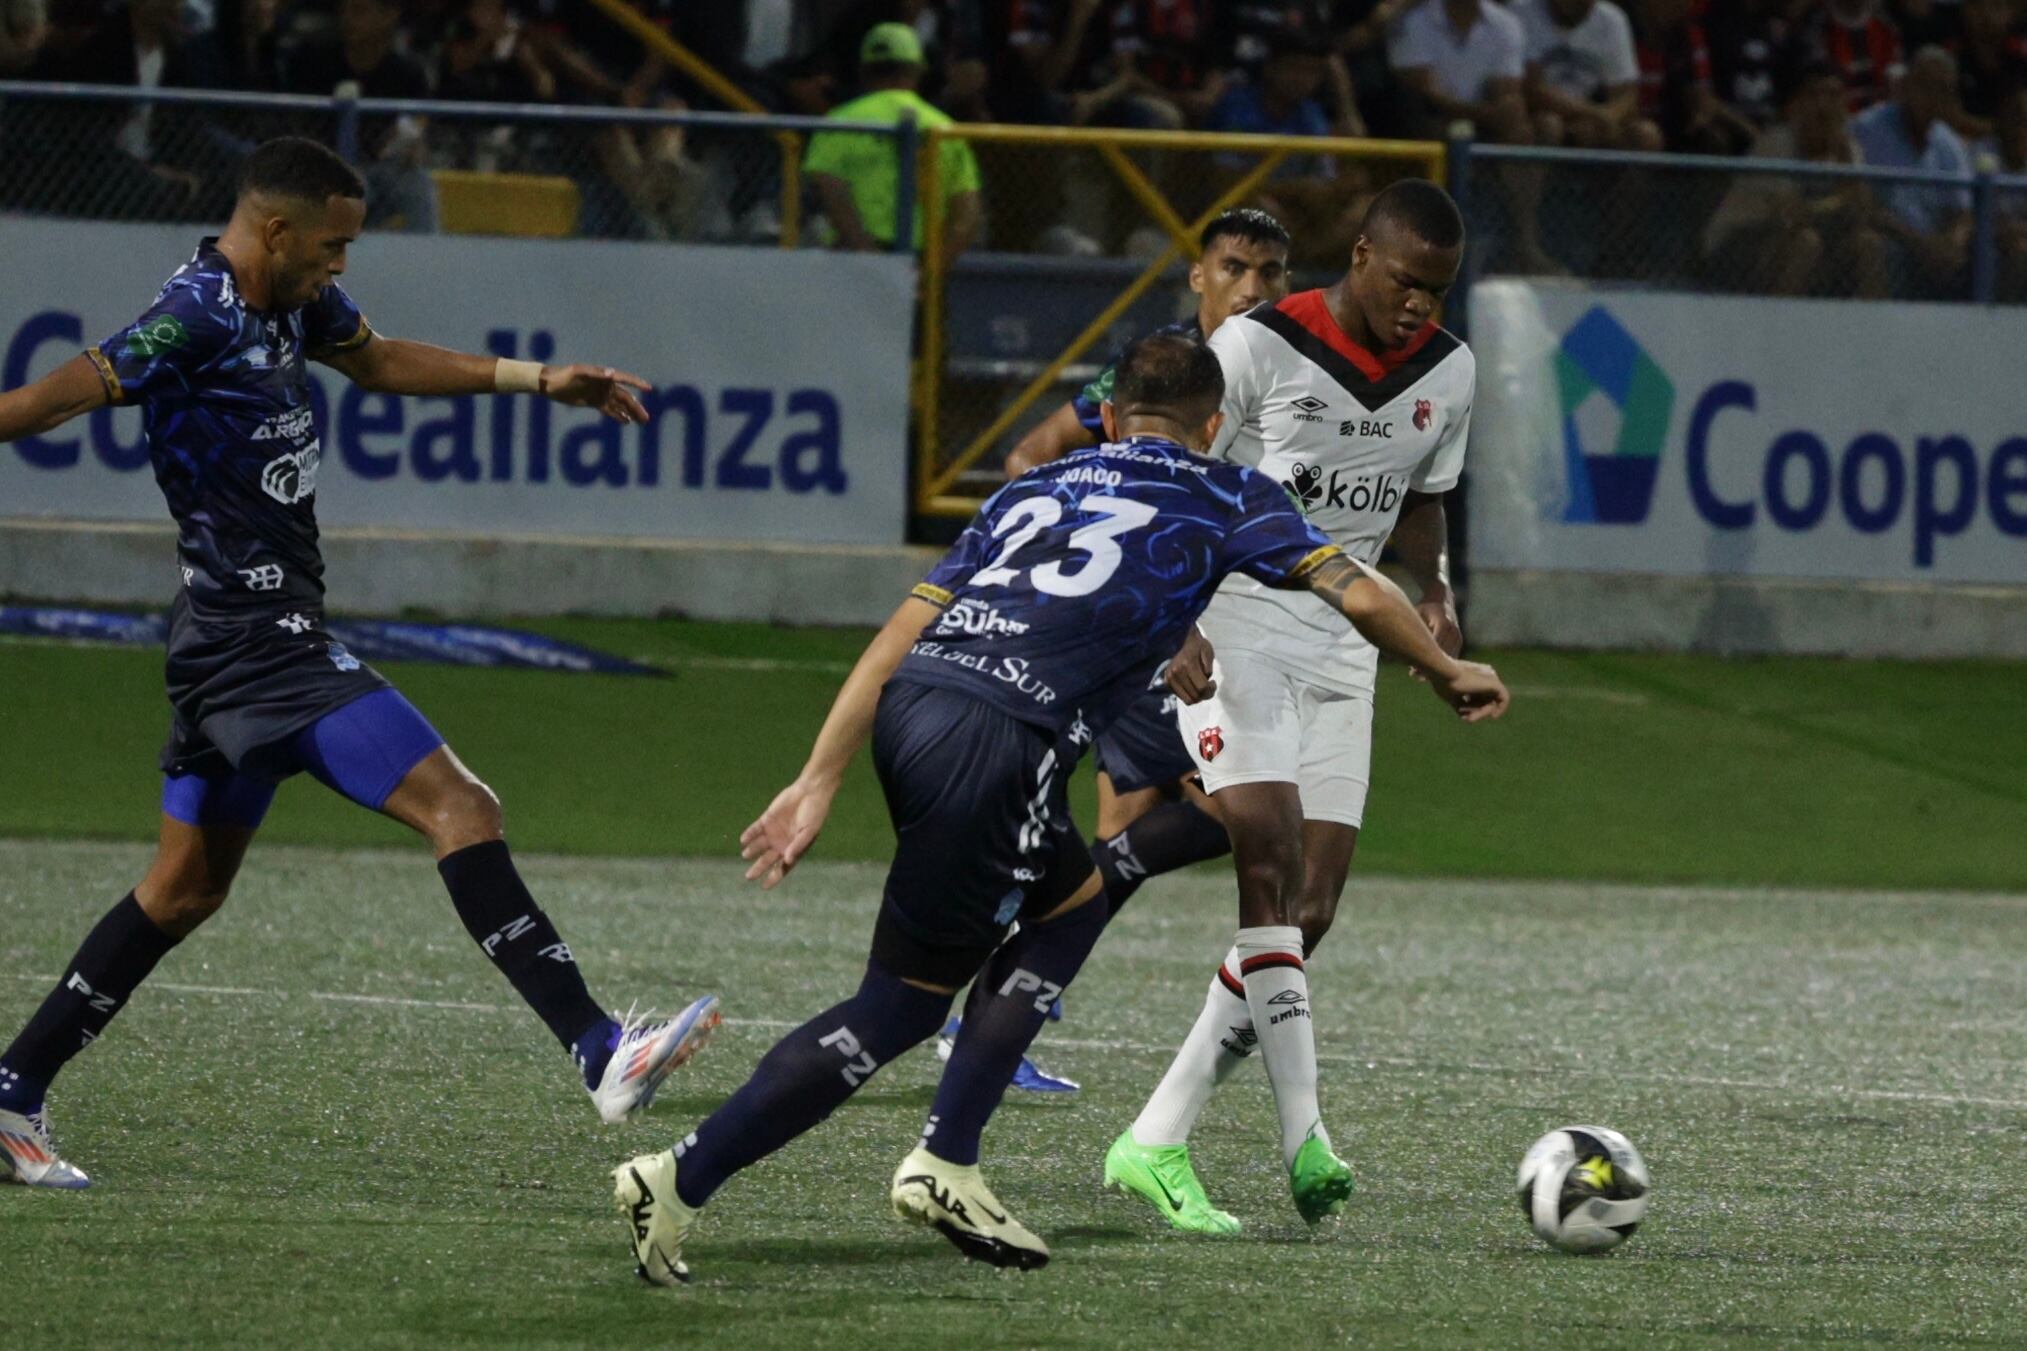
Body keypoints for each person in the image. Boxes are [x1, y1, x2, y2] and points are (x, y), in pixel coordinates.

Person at [612, 334, 1510, 1285]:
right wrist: (1444, 664)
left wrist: (817, 775)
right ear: (1214, 428)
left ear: (1114, 416)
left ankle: (943, 1158)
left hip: (916, 708)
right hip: (1001, 739)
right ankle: (685, 1177)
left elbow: (899, 631)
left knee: (1072, 901)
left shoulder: (1034, 486)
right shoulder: (1227, 491)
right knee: (897, 1009)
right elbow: (1356, 588)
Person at [0, 138, 719, 1191]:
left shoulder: (290, 303)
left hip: (224, 639)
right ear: (277, 229)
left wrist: (538, 380)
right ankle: (598, 1047)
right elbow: (49, 400)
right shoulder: (193, 316)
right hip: (257, 644)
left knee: (183, 889)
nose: (341, 266)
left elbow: (379, 360)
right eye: (332, 245)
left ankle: (12, 1089)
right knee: (462, 808)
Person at [1104, 179, 1481, 1236]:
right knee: (1262, 865)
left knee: (1305, 911)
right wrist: (1175, 619)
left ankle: (1154, 1138)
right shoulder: (1259, 346)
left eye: (1437, 290)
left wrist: (1437, 591)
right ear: (1359, 255)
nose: (1419, 306)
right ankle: (1302, 1137)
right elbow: (1168, 474)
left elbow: (1422, 495)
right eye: (1406, 282)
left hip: (1348, 644)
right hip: (1237, 627)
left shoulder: (1447, 368)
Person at [940, 206, 1292, 1095]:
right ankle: (991, 1008)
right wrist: (1137, 605)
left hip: (1207, 631)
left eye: (1271, 271)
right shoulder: (1160, 372)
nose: (1254, 287)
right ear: (1199, 276)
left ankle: (996, 1016)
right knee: (1236, 811)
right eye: (1235, 266)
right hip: (1152, 634)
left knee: (1123, 837)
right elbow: (1035, 453)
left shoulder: (1285, 368)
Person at [1702, 59, 1889, 298]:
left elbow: (1861, 216)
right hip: (1738, 243)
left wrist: (1845, 164)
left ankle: (1874, 329)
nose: (1823, 105)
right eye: (1814, 95)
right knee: (1805, 242)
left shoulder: (1849, 150)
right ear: (1797, 104)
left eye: (1833, 96)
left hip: (1811, 242)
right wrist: (1841, 201)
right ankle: (1780, 328)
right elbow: (1790, 216)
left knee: (1868, 244)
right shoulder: (1778, 143)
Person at [804, 21, 982, 268]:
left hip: (850, 260)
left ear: (864, 70)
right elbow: (967, 214)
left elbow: (830, 189)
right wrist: (931, 271)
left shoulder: (841, 120)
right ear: (919, 70)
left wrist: (867, 253)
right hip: (918, 259)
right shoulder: (944, 128)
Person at [1853, 44, 1975, 296]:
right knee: (1875, 246)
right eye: (1926, 86)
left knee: (1974, 252)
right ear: (1907, 86)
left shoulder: (1949, 143)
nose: (1934, 98)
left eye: (1943, 90)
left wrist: (1952, 240)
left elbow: (1962, 212)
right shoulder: (1868, 129)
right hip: (1892, 243)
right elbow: (1863, 204)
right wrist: (1921, 245)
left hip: (1934, 257)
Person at [1513, 0, 1664, 150]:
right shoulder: (1523, 12)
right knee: (1550, 125)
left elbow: (1627, 94)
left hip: (1595, 117)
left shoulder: (1612, 19)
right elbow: (1533, 89)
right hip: (1540, 114)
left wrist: (1609, 117)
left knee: (1645, 134)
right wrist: (1593, 114)